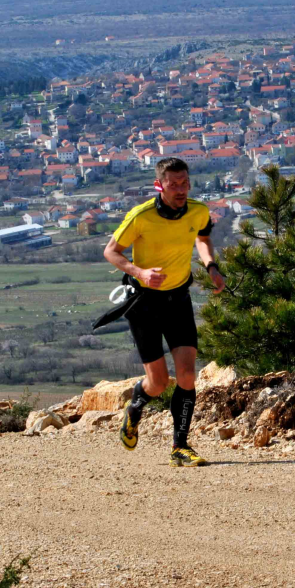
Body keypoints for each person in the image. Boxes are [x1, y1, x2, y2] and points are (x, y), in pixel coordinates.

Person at [103, 157, 225, 467]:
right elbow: (111, 251)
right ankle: (135, 406)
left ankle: (180, 447)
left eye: (185, 183)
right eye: (174, 184)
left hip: (178, 300)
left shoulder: (198, 211)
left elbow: (203, 238)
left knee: (187, 375)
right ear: (160, 185)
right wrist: (139, 272)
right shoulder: (140, 216)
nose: (181, 190)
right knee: (157, 383)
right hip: (144, 303)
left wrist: (211, 266)